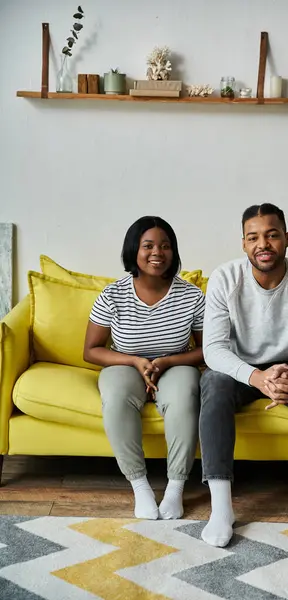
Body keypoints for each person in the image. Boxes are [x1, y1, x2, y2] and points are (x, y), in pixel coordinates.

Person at [199, 203, 288, 550]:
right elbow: (213, 350)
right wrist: (256, 377)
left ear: (287, 239)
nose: (263, 244)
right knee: (213, 384)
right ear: (244, 244)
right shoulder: (224, 278)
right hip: (238, 369)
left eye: (272, 235)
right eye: (254, 237)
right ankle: (221, 509)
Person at [84, 216, 205, 520]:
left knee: (183, 398)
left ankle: (176, 488)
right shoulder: (113, 295)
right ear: (133, 251)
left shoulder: (191, 296)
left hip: (175, 363)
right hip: (125, 362)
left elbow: (209, 350)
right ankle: (140, 486)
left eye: (165, 246)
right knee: (115, 397)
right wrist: (135, 361)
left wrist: (166, 362)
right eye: (148, 245)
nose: (157, 253)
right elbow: (91, 350)